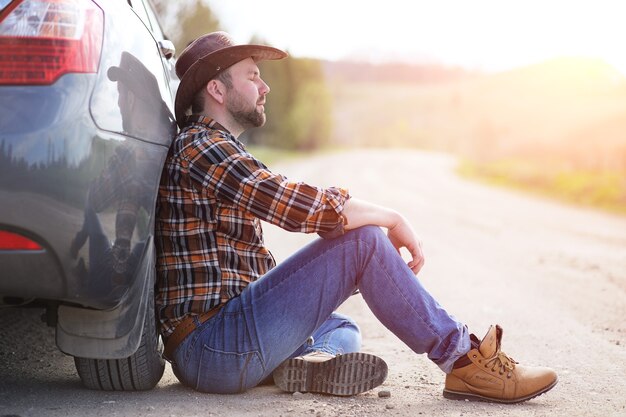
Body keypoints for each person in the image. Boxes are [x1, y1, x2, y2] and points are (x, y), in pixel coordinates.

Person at [155, 31, 558, 403]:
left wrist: (340, 279)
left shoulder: (214, 146)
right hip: (212, 345)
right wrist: (389, 219)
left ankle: (312, 365)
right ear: (216, 89)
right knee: (362, 241)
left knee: (340, 328)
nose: (265, 87)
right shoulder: (201, 146)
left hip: (224, 338)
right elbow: (292, 204)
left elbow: (254, 272)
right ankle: (464, 362)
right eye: (253, 76)